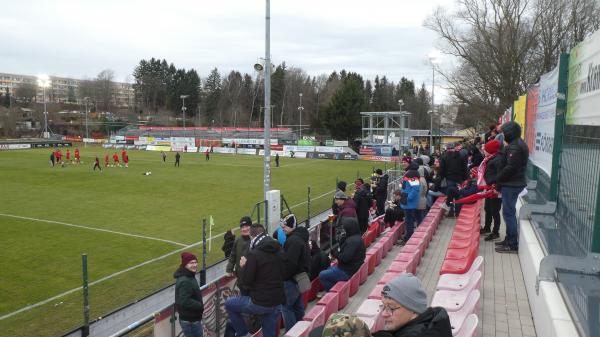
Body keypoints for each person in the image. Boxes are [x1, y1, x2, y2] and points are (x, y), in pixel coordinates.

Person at [225, 224, 285, 337]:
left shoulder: (254, 254)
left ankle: (243, 334)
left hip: (260, 302)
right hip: (277, 301)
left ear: (253, 237)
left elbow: (246, 282)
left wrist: (244, 266)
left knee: (229, 304)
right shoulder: (278, 248)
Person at [373, 273, 452, 337]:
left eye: (391, 307)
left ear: (413, 310)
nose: (384, 314)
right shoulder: (433, 322)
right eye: (383, 306)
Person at [495, 121, 529, 253]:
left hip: (511, 184)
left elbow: (510, 167)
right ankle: (508, 239)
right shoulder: (516, 144)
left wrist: (498, 179)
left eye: (504, 132)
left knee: (508, 214)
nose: (502, 135)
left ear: (510, 132)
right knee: (508, 213)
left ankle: (512, 243)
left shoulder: (515, 147)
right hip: (513, 183)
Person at [279, 218, 310, 331]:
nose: (283, 230)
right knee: (297, 306)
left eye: (285, 227)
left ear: (292, 226)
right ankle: (301, 330)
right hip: (298, 279)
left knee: (287, 307)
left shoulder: (293, 241)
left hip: (291, 280)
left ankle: (292, 333)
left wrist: (283, 277)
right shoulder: (300, 238)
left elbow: (290, 264)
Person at [318, 217, 365, 291]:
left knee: (322, 275)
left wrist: (335, 253)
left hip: (347, 271)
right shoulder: (357, 237)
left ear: (349, 228)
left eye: (344, 228)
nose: (342, 231)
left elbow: (344, 258)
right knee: (328, 268)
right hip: (352, 268)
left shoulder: (352, 241)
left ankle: (333, 292)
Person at [478, 140, 504, 240]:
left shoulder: (497, 160)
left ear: (491, 150)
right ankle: (487, 227)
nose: (484, 151)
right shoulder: (490, 158)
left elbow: (500, 175)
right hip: (489, 187)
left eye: (485, 150)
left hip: (495, 189)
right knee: (487, 208)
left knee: (495, 211)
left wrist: (497, 187)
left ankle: (496, 232)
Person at [174, 252, 205, 337]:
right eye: (191, 263)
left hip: (191, 318)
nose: (194, 265)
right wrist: (199, 305)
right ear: (185, 264)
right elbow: (184, 301)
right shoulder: (185, 280)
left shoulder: (189, 275)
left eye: (195, 262)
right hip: (190, 321)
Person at [225, 217, 253, 295]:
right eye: (242, 227)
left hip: (254, 281)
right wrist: (229, 269)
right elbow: (232, 256)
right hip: (241, 280)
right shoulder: (238, 240)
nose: (244, 229)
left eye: (247, 226)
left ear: (251, 226)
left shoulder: (255, 240)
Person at [439, 142, 468, 211]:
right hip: (459, 178)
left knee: (450, 193)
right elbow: (464, 168)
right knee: (457, 194)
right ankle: (458, 211)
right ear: (453, 148)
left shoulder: (444, 157)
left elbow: (442, 169)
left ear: (447, 148)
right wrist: (465, 178)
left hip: (449, 178)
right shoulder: (461, 155)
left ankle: (450, 210)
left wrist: (442, 177)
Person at [399, 162, 421, 245]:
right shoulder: (410, 173)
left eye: (405, 163)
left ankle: (408, 238)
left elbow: (415, 189)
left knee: (409, 221)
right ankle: (407, 236)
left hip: (409, 203)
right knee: (408, 220)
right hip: (407, 202)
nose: (404, 164)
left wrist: (408, 198)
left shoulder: (412, 174)